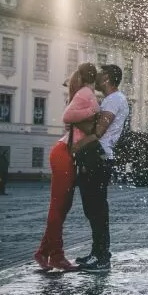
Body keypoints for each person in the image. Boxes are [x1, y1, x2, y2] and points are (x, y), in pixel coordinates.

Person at [34, 63, 100, 272]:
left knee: (63, 206)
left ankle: (43, 252)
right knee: (58, 207)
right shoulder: (85, 93)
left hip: (67, 154)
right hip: (64, 153)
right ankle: (56, 256)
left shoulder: (85, 91)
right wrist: (94, 109)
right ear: (94, 77)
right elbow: (67, 116)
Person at [75, 64, 130, 272]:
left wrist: (75, 119)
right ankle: (97, 253)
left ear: (106, 78)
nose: (95, 78)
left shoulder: (115, 99)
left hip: (98, 156)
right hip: (98, 156)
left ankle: (102, 257)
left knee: (96, 209)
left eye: (99, 75)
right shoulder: (112, 99)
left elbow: (99, 130)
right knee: (93, 208)